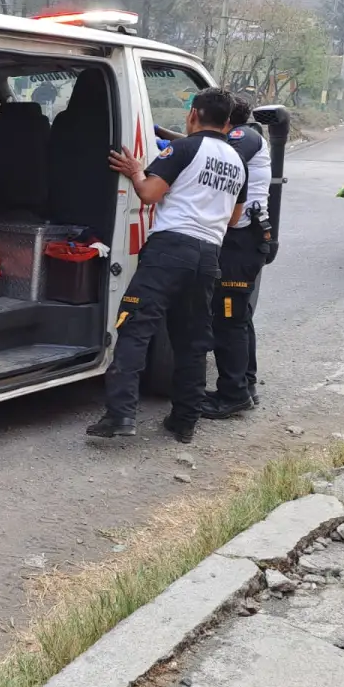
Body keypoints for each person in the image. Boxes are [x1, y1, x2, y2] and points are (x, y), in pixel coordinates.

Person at [87, 88, 247, 444]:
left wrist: (135, 171)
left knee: (135, 327)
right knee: (191, 341)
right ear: (227, 122)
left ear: (193, 115)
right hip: (208, 256)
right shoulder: (237, 162)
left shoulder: (185, 148)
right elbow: (235, 218)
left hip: (170, 250)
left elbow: (149, 194)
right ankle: (184, 420)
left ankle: (120, 414)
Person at [203, 96, 271, 417]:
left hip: (240, 240)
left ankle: (232, 395)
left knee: (228, 318)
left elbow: (218, 154)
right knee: (240, 317)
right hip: (247, 240)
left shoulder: (244, 136)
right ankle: (245, 383)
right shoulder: (247, 137)